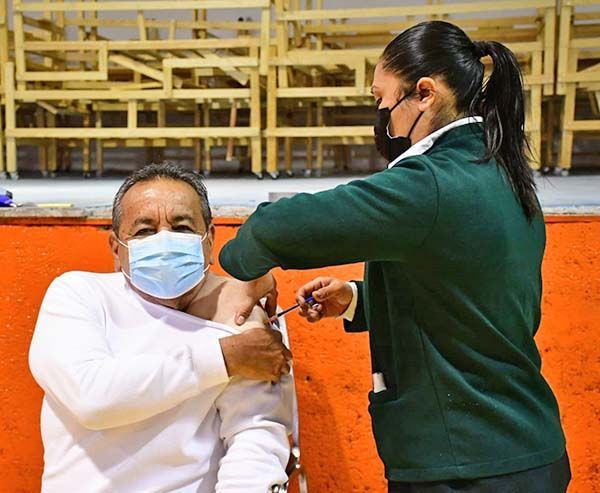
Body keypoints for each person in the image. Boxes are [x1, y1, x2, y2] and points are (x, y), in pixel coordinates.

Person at [218, 21, 571, 493]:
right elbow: (471, 296)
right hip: (523, 448)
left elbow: (277, 228)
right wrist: (357, 299)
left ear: (424, 94)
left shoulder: (430, 184)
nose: (383, 115)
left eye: (382, 98)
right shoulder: (499, 171)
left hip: (468, 465)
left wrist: (248, 266)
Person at [29, 162, 293, 493]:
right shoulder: (79, 296)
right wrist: (225, 357)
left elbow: (256, 437)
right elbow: (91, 398)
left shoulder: (241, 312)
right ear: (116, 248)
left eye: (182, 227)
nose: (165, 240)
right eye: (144, 231)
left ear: (209, 240)